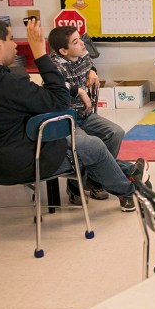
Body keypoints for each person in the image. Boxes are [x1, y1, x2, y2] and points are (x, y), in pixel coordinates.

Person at [0, 18, 146, 212]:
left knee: (99, 139)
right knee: (93, 146)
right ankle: (128, 189)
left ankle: (127, 172)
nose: (15, 45)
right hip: (20, 163)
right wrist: (39, 53)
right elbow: (60, 102)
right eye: (11, 39)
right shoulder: (10, 84)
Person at [48, 25, 129, 203]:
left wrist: (93, 71)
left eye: (80, 38)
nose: (82, 43)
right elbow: (56, 84)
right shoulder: (55, 66)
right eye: (76, 42)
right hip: (69, 119)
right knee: (88, 145)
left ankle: (95, 178)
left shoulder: (82, 53)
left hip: (86, 114)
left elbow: (90, 62)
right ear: (63, 50)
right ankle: (77, 185)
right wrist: (79, 91)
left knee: (116, 132)